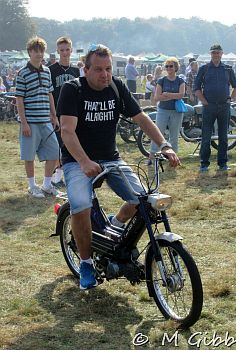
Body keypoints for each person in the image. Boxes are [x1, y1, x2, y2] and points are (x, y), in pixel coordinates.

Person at [57, 44, 180, 290]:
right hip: (77, 161)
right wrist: (83, 161)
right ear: (86, 69)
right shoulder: (72, 90)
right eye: (99, 69)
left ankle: (112, 230)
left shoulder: (116, 87)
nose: (105, 74)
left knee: (142, 200)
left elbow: (142, 118)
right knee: (81, 205)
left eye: (109, 69)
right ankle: (86, 263)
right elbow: (67, 131)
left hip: (111, 158)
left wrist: (164, 145)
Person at [15, 36, 59, 198]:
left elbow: (50, 94)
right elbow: (19, 99)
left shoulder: (47, 71)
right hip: (30, 122)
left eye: (41, 51)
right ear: (29, 52)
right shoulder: (22, 73)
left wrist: (54, 115)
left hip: (46, 121)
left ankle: (47, 185)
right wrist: (24, 123)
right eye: (36, 51)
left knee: (54, 153)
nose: (39, 54)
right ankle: (32, 186)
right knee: (29, 155)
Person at [194, 44, 236, 172]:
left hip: (224, 106)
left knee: (223, 136)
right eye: (214, 52)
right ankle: (204, 164)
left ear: (222, 54)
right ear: (210, 54)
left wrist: (231, 98)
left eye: (218, 52)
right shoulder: (204, 68)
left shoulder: (228, 69)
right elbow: (196, 87)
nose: (216, 55)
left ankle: (222, 163)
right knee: (206, 136)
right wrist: (204, 101)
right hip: (209, 106)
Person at [49, 37, 80, 187]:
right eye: (62, 50)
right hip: (56, 113)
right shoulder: (51, 70)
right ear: (57, 51)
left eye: (67, 49)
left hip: (72, 113)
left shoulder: (76, 71)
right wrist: (51, 113)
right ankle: (55, 176)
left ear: (71, 50)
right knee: (57, 146)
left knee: (69, 145)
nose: (65, 53)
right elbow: (48, 94)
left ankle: (63, 176)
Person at [148, 57, 186, 163]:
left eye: (171, 66)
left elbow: (181, 95)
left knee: (174, 135)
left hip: (176, 111)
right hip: (163, 110)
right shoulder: (162, 80)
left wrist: (167, 94)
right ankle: (151, 157)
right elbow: (157, 97)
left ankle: (173, 159)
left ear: (175, 68)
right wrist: (173, 96)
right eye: (167, 66)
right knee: (158, 133)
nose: (168, 68)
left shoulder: (180, 80)